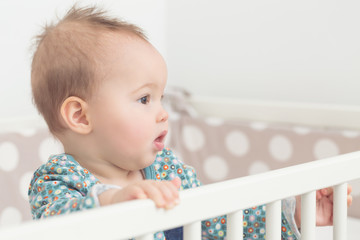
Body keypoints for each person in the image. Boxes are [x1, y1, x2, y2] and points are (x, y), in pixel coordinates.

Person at [28, 5, 352, 240]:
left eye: (161, 98)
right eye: (144, 99)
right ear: (81, 116)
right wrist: (111, 202)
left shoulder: (170, 170)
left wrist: (295, 214)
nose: (162, 113)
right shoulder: (57, 182)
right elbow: (60, 225)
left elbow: (219, 224)